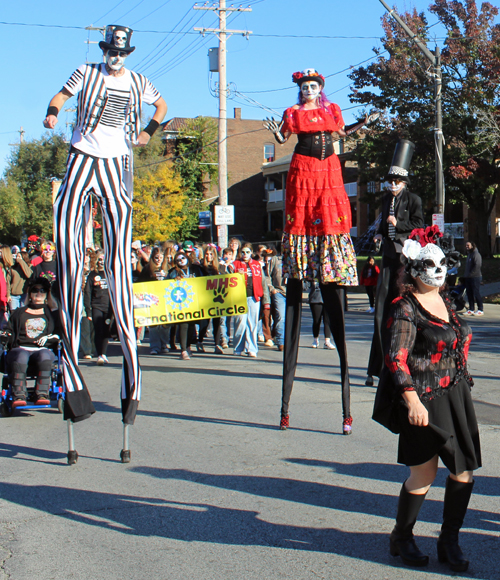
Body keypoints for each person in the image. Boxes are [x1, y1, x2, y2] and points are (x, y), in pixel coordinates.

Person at [42, 24, 167, 422]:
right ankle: (73, 378)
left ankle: (131, 387)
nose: (115, 58)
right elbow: (61, 94)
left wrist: (149, 131)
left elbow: (162, 107)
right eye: (111, 52)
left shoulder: (139, 81)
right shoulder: (87, 71)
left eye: (121, 53)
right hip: (82, 153)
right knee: (70, 251)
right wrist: (52, 113)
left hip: (116, 161)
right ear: (104, 51)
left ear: (128, 54)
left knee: (117, 258)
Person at [265, 68, 369, 433]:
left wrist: (361, 125)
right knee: (304, 212)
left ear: (321, 88)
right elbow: (281, 137)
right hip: (304, 167)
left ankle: (346, 411)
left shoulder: (333, 109)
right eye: (304, 86)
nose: (309, 89)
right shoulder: (293, 114)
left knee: (331, 211)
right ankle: (285, 409)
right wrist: (274, 131)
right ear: (299, 90)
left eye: (313, 85)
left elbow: (343, 134)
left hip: (329, 168)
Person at [373, 226, 480, 573]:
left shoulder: (446, 300)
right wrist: (412, 401)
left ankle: (449, 540)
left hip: (455, 395)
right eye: (431, 266)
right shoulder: (406, 308)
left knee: (463, 471)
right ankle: (401, 537)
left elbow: (456, 339)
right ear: (415, 269)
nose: (439, 273)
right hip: (423, 399)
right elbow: (396, 358)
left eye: (443, 265)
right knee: (424, 474)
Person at [366, 139, 423, 386]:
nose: (392, 185)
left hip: (405, 257)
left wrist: (397, 225)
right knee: (382, 308)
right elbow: (381, 223)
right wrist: (380, 232)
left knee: (403, 304)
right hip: (388, 256)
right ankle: (377, 366)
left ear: (404, 182)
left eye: (396, 181)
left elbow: (419, 225)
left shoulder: (413, 200)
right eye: (390, 181)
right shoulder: (385, 200)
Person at [2, 277, 61, 408]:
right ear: (29, 293)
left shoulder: (52, 314)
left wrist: (49, 338)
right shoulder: (19, 313)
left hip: (42, 350)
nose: (38, 294)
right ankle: (19, 394)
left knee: (45, 356)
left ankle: (42, 394)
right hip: (21, 348)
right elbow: (9, 330)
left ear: (47, 294)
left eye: (42, 291)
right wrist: (5, 334)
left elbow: (60, 333)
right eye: (35, 290)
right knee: (21, 355)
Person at [167, 250, 206, 360]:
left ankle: (188, 346)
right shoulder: (173, 272)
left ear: (187, 259)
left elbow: (205, 279)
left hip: (194, 300)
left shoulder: (195, 269)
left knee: (191, 325)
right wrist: (174, 281)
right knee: (183, 324)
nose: (181, 261)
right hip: (181, 302)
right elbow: (166, 284)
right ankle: (183, 350)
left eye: (183, 258)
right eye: (178, 260)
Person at [231, 243, 265, 357]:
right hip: (239, 297)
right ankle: (238, 347)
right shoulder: (235, 264)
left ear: (251, 253)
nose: (245, 254)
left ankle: (252, 348)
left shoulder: (256, 264)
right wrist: (236, 274)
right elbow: (227, 277)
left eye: (247, 252)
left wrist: (264, 297)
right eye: (243, 252)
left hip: (254, 296)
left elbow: (262, 280)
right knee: (240, 322)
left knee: (253, 323)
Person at [139, 247, 170, 355]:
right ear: (153, 257)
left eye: (161, 257)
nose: (158, 260)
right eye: (156, 257)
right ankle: (155, 346)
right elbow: (140, 284)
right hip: (152, 300)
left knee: (165, 324)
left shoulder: (167, 268)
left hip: (165, 300)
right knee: (153, 325)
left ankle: (164, 344)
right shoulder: (147, 269)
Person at [84, 251, 113, 365]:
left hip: (108, 307)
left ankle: (104, 353)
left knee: (106, 330)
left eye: (103, 259)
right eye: (99, 260)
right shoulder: (92, 275)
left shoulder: (110, 274)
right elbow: (87, 293)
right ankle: (99, 354)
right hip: (96, 306)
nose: (101, 262)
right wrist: (88, 311)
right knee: (98, 330)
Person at [308, 281, 336, 351]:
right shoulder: (313, 272)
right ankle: (315, 339)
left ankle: (327, 341)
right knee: (317, 320)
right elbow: (306, 285)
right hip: (315, 299)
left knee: (327, 320)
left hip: (328, 298)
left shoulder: (328, 272)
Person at [463, 241, 483, 316]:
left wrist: (471, 274)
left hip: (475, 277)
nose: (466, 247)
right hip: (468, 277)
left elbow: (477, 265)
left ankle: (480, 309)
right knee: (469, 293)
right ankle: (471, 309)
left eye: (468, 245)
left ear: (472, 246)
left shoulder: (476, 254)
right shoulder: (469, 254)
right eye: (466, 245)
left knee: (476, 293)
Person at [9, 246, 32, 311]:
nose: (17, 258)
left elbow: (29, 275)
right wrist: (8, 294)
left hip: (24, 294)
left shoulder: (29, 267)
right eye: (17, 256)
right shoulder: (13, 268)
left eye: (19, 257)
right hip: (14, 294)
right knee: (14, 313)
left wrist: (21, 262)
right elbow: (8, 281)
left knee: (23, 312)